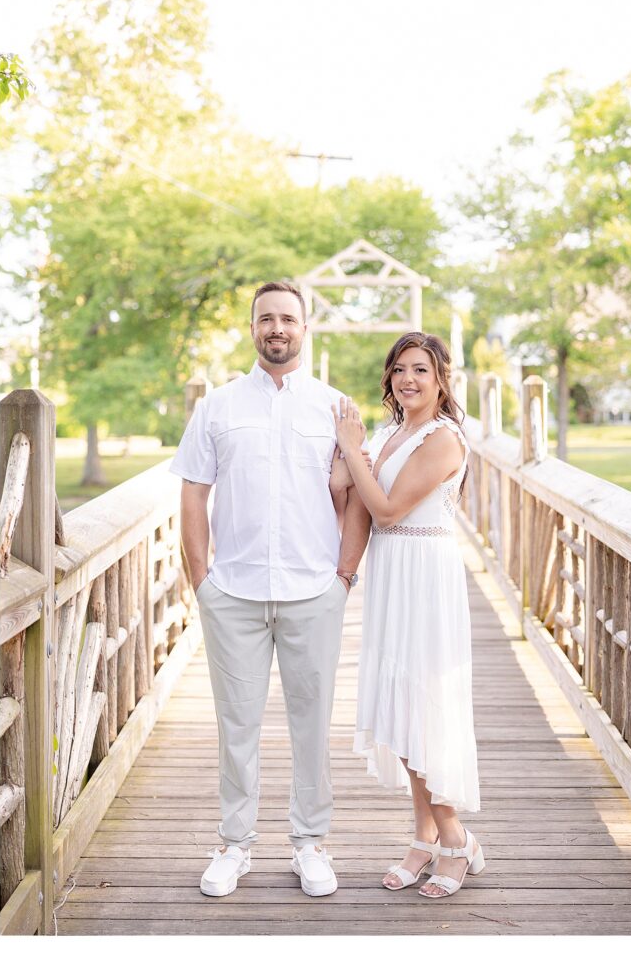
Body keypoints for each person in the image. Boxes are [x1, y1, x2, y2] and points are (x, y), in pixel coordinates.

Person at [170, 281, 371, 898]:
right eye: (266, 319)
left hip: (315, 589)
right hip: (233, 590)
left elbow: (358, 492)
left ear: (305, 328)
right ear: (253, 329)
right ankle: (235, 844)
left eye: (288, 318)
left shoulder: (336, 408)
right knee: (238, 723)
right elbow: (194, 493)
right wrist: (201, 580)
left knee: (313, 722)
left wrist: (343, 576)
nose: (276, 328)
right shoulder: (218, 407)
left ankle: (310, 843)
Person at [330, 331, 483, 899]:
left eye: (420, 370)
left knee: (425, 708)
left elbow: (391, 510)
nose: (408, 380)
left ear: (441, 379)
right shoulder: (393, 433)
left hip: (426, 577)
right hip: (391, 575)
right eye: (399, 370)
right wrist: (345, 462)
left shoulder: (445, 440)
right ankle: (421, 838)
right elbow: (355, 498)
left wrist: (351, 449)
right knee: (398, 704)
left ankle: (455, 839)